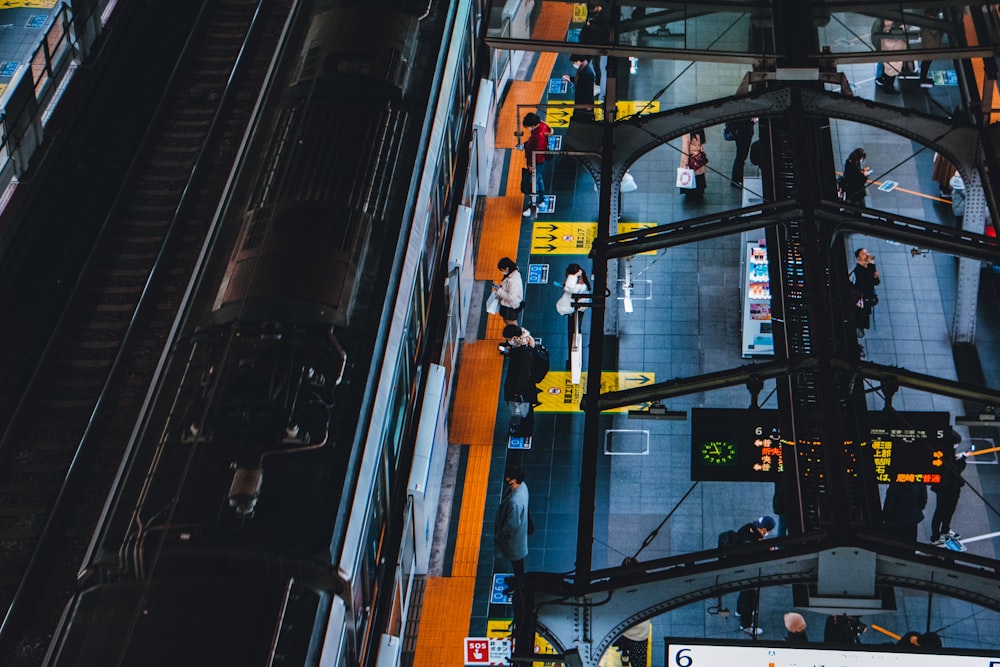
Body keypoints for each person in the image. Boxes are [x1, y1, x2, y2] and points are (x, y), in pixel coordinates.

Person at [732, 515, 776, 636]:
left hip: (738, 568)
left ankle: (739, 611)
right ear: (764, 529)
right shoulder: (754, 543)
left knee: (744, 591)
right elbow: (758, 554)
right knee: (750, 597)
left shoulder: (748, 528)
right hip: (748, 573)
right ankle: (746, 624)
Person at [501, 324, 539, 436]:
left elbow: (523, 374)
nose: (508, 342)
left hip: (522, 388)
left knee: (524, 407)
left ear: (514, 338)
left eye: (508, 339)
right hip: (520, 385)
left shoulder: (525, 352)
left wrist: (517, 392)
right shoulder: (522, 344)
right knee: (524, 407)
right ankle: (523, 426)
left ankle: (525, 429)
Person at [930, 431, 967, 545]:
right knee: (941, 511)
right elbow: (955, 470)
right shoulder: (946, 455)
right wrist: (963, 460)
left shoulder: (946, 451)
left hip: (948, 487)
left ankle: (945, 529)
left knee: (948, 510)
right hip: (947, 487)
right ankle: (935, 537)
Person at [494, 464, 530, 578]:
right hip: (520, 534)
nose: (506, 479)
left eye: (508, 478)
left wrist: (499, 535)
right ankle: (519, 581)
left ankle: (519, 584)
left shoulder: (515, 502)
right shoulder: (523, 486)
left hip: (515, 540)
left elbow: (512, 524)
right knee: (518, 564)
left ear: (513, 480)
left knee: (517, 564)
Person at [555, 264, 591, 368]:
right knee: (575, 330)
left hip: (575, 310)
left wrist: (573, 276)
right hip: (577, 309)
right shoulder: (582, 284)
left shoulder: (579, 286)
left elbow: (570, 288)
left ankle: (573, 358)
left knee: (573, 332)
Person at [521, 112, 552, 216]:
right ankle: (541, 201)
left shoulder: (539, 135)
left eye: (529, 127)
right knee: (538, 180)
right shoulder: (542, 127)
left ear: (533, 125)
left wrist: (531, 164)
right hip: (539, 162)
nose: (528, 129)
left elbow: (537, 152)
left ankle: (534, 206)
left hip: (536, 162)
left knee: (533, 183)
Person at [872, 19, 907, 95]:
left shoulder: (884, 25)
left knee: (889, 70)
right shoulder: (894, 28)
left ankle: (887, 84)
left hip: (890, 50)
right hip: (894, 52)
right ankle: (888, 87)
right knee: (891, 72)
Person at [851, 247, 880, 337]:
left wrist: (873, 269)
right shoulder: (857, 270)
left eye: (867, 253)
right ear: (858, 258)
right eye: (863, 254)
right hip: (860, 298)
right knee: (859, 316)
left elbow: (876, 282)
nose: (867, 255)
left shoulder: (870, 267)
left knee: (864, 316)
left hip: (868, 297)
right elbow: (863, 283)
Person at [562, 55, 596, 121]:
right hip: (580, 102)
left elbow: (589, 90)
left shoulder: (588, 73)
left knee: (581, 119)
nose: (573, 64)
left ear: (578, 61)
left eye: (573, 62)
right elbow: (581, 80)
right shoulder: (582, 69)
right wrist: (570, 78)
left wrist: (589, 104)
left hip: (584, 104)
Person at [494, 257, 524, 325]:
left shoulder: (514, 280)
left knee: (512, 326)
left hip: (511, 306)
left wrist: (499, 290)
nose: (502, 272)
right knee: (508, 323)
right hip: (507, 305)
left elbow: (511, 297)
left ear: (507, 268)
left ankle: (516, 335)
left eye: (502, 270)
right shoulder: (511, 275)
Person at [728, 118, 756, 189]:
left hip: (742, 134)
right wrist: (752, 122)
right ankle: (736, 180)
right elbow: (743, 125)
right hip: (743, 135)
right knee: (741, 157)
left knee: (741, 157)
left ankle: (737, 179)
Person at [680, 129, 708, 198]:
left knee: (690, 178)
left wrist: (684, 163)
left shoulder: (687, 133)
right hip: (698, 159)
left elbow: (685, 149)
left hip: (691, 159)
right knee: (699, 178)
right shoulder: (700, 130)